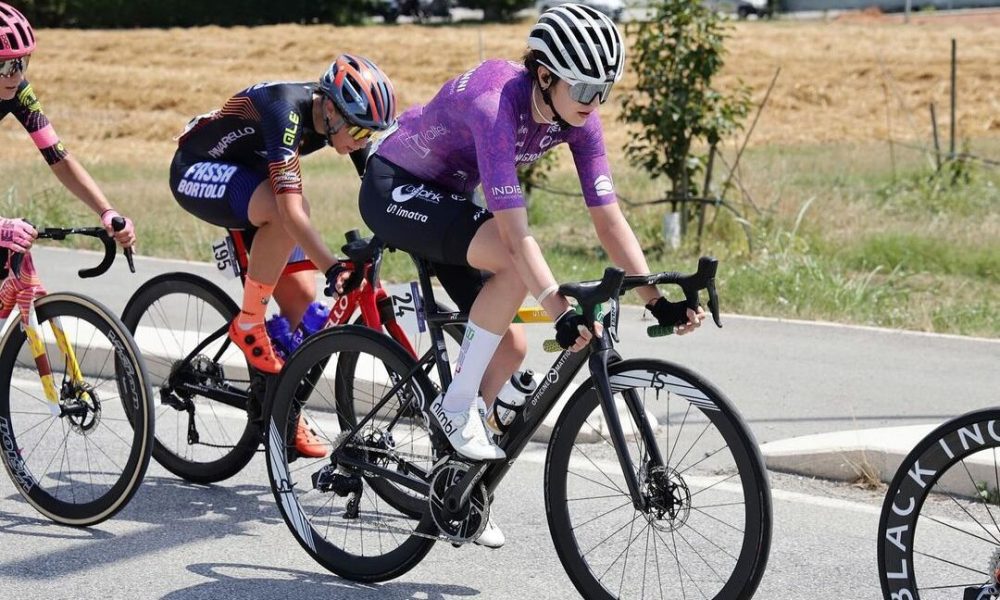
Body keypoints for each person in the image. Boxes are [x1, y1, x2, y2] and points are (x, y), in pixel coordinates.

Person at [359, 4, 704, 546]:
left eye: (604, 90)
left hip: (449, 197)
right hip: (395, 186)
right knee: (513, 261)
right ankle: (454, 407)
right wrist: (560, 311)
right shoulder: (496, 104)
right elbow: (517, 237)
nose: (595, 104)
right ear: (545, 74)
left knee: (513, 348)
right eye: (586, 89)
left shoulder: (579, 120)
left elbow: (609, 218)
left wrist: (656, 299)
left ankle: (460, 487)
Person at [169, 53, 396, 456]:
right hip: (198, 168)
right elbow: (291, 211)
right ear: (330, 108)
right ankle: (249, 321)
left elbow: (378, 187)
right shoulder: (284, 109)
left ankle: (282, 407)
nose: (360, 142)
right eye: (359, 132)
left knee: (303, 300)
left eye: (369, 135)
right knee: (286, 209)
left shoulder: (342, 122)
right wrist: (333, 267)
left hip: (249, 174)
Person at [0, 2, 136, 255]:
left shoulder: (18, 91)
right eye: (6, 65)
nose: (16, 75)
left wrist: (107, 211)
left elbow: (58, 158)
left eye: (22, 62)